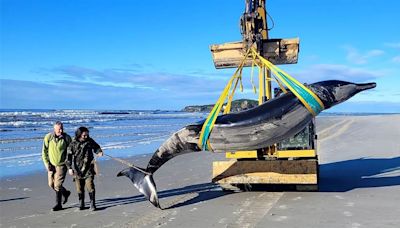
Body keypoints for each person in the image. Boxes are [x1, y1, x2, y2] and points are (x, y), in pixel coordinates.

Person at [66, 126, 103, 211]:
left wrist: (99, 152)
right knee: (79, 188)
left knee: (90, 185)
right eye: (84, 135)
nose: (86, 137)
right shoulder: (73, 144)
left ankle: (92, 204)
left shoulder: (90, 141)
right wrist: (69, 168)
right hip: (77, 170)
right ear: (79, 135)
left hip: (89, 168)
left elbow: (96, 147)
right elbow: (68, 157)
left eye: (87, 135)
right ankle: (81, 203)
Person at [42, 121, 72, 211]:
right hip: (51, 165)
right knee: (51, 184)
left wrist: (69, 166)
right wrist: (47, 164)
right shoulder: (48, 137)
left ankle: (58, 204)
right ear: (54, 129)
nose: (61, 130)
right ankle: (65, 193)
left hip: (62, 165)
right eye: (59, 129)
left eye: (62, 128)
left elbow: (70, 152)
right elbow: (44, 152)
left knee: (57, 185)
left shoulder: (67, 138)